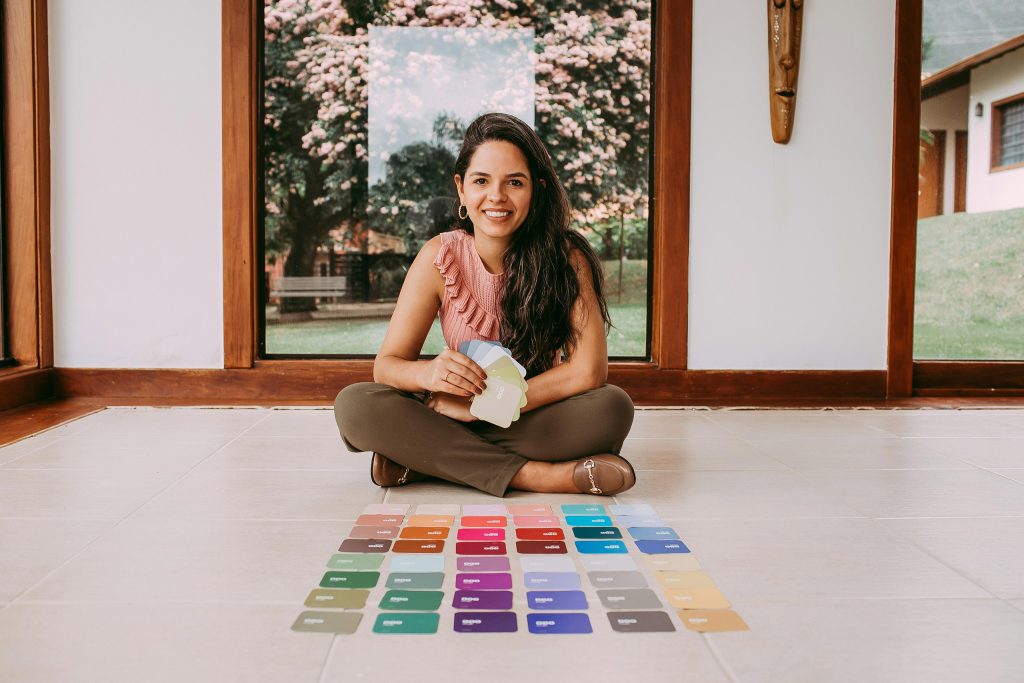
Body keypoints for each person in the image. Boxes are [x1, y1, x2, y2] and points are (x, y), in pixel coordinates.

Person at [334, 112, 636, 497]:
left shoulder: (566, 257)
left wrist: (480, 410)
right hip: (450, 411)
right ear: (461, 188)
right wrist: (428, 376)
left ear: (537, 190)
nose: (496, 197)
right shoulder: (438, 257)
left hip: (528, 413)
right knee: (355, 406)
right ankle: (536, 476)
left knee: (611, 408)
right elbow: (387, 366)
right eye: (481, 181)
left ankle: (424, 459)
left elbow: (588, 372)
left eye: (514, 182)